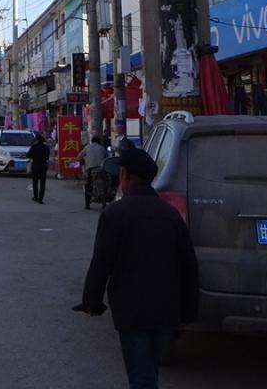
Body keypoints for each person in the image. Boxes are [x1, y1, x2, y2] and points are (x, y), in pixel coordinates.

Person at [75, 147, 198, 389]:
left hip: (131, 313)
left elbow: (101, 264)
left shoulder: (115, 214)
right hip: (166, 311)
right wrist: (188, 311)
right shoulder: (171, 215)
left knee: (142, 375)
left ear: (125, 176)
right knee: (149, 370)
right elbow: (188, 266)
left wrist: (92, 302)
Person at [78, 135, 109, 210]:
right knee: (106, 183)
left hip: (90, 170)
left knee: (88, 186)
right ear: (99, 142)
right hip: (102, 170)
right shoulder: (102, 148)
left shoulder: (87, 147)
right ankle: (104, 203)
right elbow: (107, 157)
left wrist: (83, 163)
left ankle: (87, 205)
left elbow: (79, 157)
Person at [27, 132, 51, 203]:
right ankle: (41, 199)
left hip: (35, 166)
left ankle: (36, 197)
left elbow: (28, 155)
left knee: (35, 182)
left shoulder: (34, 147)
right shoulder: (46, 148)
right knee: (42, 183)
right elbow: (47, 157)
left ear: (37, 140)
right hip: (43, 166)